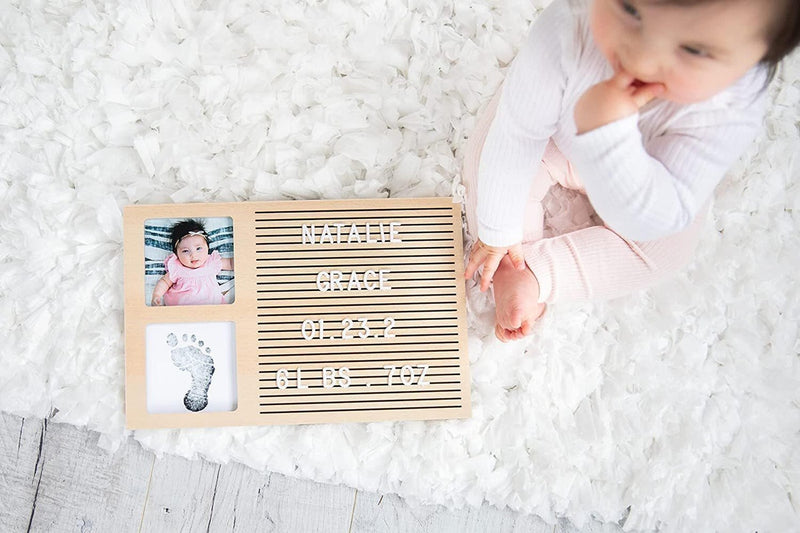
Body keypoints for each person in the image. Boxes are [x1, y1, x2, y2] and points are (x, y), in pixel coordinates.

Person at [463, 0, 800, 341]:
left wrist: (606, 136)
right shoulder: (570, 24)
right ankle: (512, 261)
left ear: (757, 61)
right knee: (491, 161)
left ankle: (538, 273)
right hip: (557, 138)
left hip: (650, 181)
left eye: (694, 50)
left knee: (665, 250)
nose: (641, 59)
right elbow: (520, 132)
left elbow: (646, 218)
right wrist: (498, 232)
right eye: (631, 10)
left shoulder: (731, 111)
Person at [151, 219, 234, 306]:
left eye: (198, 248)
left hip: (210, 307)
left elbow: (231, 264)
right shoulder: (177, 267)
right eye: (186, 251)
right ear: (177, 254)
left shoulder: (212, 262)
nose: (193, 255)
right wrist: (157, 295)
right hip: (182, 308)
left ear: (207, 248)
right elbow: (165, 282)